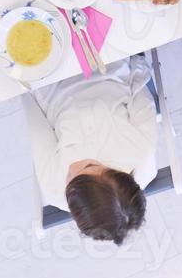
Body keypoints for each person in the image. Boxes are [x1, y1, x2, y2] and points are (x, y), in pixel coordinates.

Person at [24, 54, 158, 244]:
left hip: (51, 82)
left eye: (70, 181)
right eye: (88, 167)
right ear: (116, 173)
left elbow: (34, 117)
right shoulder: (142, 149)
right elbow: (139, 80)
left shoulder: (53, 187)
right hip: (106, 61)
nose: (72, 170)